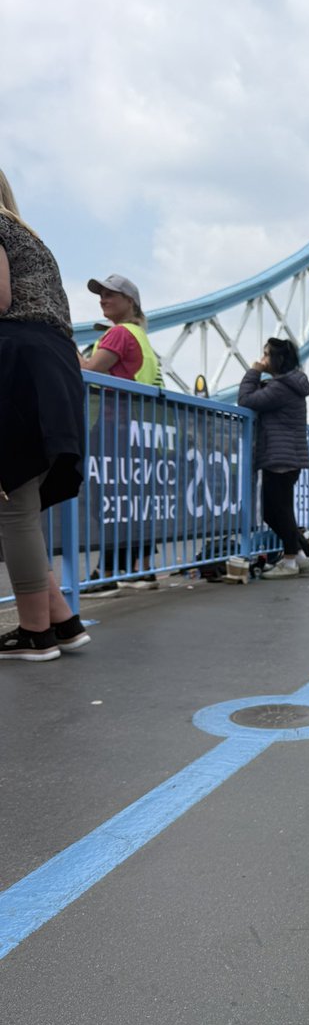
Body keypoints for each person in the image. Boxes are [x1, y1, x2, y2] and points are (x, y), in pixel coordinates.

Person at [0, 168, 90, 660]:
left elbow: (1, 299)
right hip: (53, 365)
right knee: (21, 507)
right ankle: (63, 621)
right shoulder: (27, 234)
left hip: (16, 363)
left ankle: (34, 633)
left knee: (11, 502)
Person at [81, 274, 162, 591]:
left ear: (130, 301)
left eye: (110, 294)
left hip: (114, 427)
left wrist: (64, 343)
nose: (103, 299)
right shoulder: (142, 338)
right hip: (139, 429)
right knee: (133, 500)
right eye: (100, 294)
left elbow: (88, 371)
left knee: (108, 500)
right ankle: (140, 568)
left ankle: (109, 572)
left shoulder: (118, 333)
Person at [238, 338, 309, 577]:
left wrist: (254, 371)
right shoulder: (289, 385)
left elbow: (245, 400)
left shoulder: (281, 388)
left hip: (280, 457)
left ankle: (289, 562)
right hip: (287, 456)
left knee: (275, 511)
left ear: (277, 359)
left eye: (266, 354)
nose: (263, 359)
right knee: (280, 510)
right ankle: (298, 557)